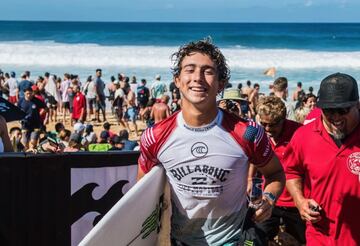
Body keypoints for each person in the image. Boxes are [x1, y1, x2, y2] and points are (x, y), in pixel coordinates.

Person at [138, 38, 285, 245]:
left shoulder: (247, 133)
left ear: (221, 84)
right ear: (177, 80)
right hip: (181, 240)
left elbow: (276, 174)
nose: (197, 78)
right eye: (190, 70)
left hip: (234, 239)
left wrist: (269, 199)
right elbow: (142, 191)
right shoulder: (155, 136)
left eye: (208, 71)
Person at [285, 73, 360, 246]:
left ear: (357, 104)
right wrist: (300, 201)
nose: (335, 117)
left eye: (343, 110)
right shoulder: (303, 136)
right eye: (328, 110)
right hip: (320, 237)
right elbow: (291, 171)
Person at [250, 96, 305, 244]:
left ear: (283, 119)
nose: (267, 129)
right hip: (269, 199)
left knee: (303, 241)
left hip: (295, 203)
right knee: (254, 239)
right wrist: (249, 180)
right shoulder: (257, 132)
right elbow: (253, 158)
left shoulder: (300, 133)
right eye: (264, 124)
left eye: (272, 124)